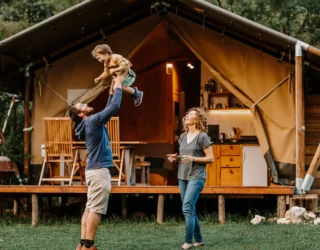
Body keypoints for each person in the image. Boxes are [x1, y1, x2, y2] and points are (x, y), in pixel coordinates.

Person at [69, 74, 124, 250]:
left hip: (92, 170)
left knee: (89, 207)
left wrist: (111, 89)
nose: (87, 104)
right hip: (99, 171)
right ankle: (89, 245)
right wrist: (120, 84)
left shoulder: (86, 124)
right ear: (81, 113)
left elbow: (108, 106)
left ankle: (82, 244)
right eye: (83, 105)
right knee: (96, 209)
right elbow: (114, 106)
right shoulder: (92, 121)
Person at [167, 108, 213, 250]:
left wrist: (193, 158)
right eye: (187, 115)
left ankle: (188, 241)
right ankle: (198, 240)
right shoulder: (182, 137)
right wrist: (176, 158)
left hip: (197, 176)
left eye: (190, 115)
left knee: (186, 208)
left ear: (197, 119)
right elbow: (184, 157)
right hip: (182, 176)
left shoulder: (202, 137)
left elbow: (210, 158)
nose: (187, 116)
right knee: (190, 208)